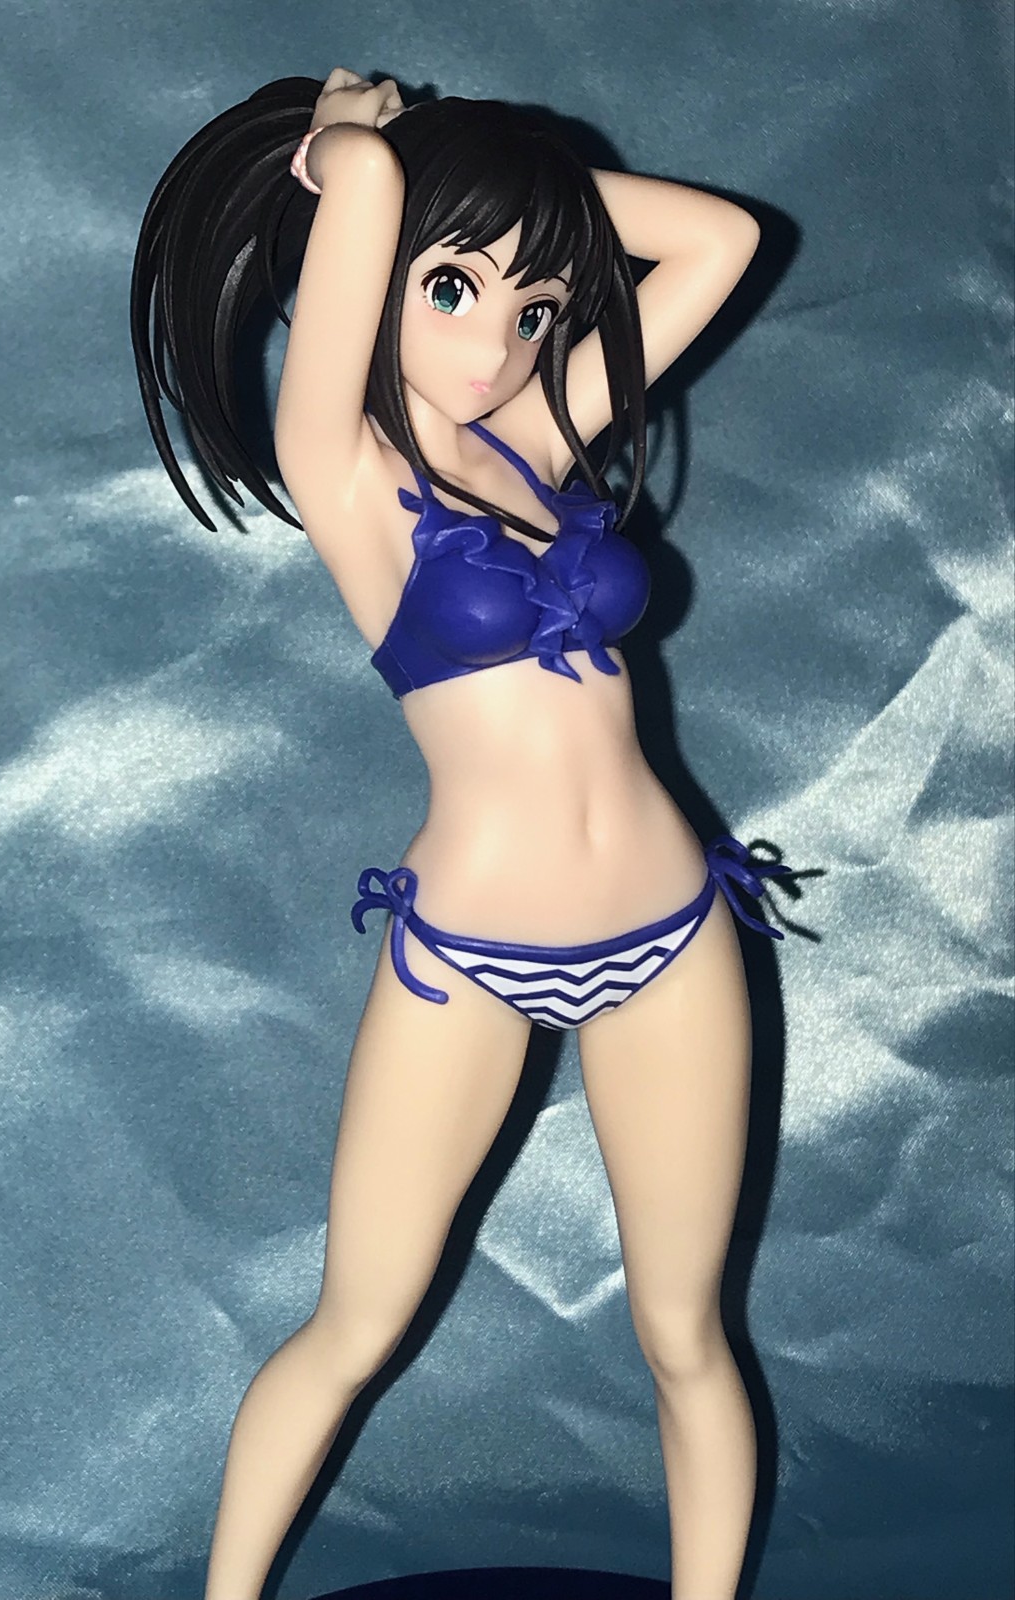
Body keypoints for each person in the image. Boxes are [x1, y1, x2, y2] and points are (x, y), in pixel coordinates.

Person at [132, 66, 789, 1600]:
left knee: (686, 1335)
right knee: (354, 1325)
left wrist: (519, 202)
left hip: (673, 930)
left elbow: (722, 242)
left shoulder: (537, 440)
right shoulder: (347, 473)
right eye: (452, 287)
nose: (498, 341)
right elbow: (367, 194)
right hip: (471, 952)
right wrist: (365, 154)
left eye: (538, 306)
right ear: (369, 275)